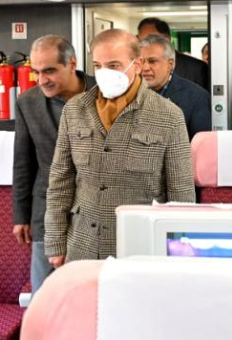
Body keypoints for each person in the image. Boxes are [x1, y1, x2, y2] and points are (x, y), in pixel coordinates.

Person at [44, 29, 195, 267]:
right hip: (83, 245)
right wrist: (55, 243)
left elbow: (181, 194)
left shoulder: (168, 115)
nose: (105, 73)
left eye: (114, 65)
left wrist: (178, 251)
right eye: (98, 65)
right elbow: (60, 181)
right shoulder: (74, 110)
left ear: (137, 65)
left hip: (142, 247)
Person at [13, 35, 95, 295]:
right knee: (45, 295)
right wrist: (21, 215)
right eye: (35, 72)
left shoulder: (105, 94)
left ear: (71, 63)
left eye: (49, 70)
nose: (41, 80)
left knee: (91, 294)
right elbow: (23, 162)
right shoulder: (28, 103)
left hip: (98, 207)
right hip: (47, 209)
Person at [140, 34, 211, 140]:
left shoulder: (196, 98)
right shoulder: (130, 93)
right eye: (141, 62)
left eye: (152, 61)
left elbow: (201, 146)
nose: (145, 68)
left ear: (170, 64)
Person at [137, 17, 210, 91]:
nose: (145, 45)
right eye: (141, 41)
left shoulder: (197, 68)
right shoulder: (135, 67)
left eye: (151, 39)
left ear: (167, 38)